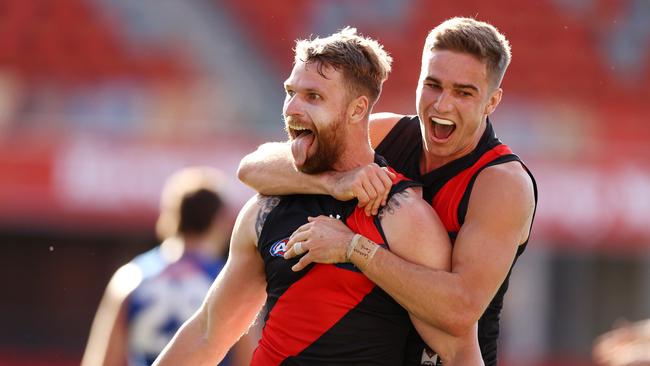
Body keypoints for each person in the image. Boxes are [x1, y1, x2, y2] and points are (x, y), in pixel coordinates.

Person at [153, 27, 483, 366]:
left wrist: (355, 249)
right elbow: (209, 332)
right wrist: (334, 183)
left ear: (357, 110)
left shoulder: (404, 215)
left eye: (313, 97)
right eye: (290, 92)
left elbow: (459, 352)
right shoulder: (266, 208)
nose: (293, 108)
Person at [238, 17, 538, 366]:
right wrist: (332, 181)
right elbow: (253, 168)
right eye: (433, 85)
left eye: (463, 93)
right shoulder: (387, 134)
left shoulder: (501, 183)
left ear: (491, 102)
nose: (442, 105)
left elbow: (459, 311)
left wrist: (354, 248)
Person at [81, 167, 256, 366]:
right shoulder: (229, 281)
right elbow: (250, 359)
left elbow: (103, 361)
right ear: (219, 221)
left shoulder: (130, 277)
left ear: (170, 215)